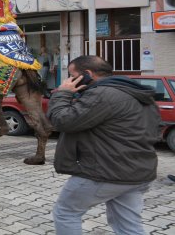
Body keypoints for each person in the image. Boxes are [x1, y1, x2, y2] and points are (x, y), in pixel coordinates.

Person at [47, 55, 160, 235]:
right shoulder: (137, 94)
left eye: (72, 75)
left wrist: (63, 93)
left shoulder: (102, 94)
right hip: (137, 172)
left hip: (104, 172)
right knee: (128, 226)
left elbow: (63, 121)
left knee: (66, 213)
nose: (69, 80)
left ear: (87, 74)